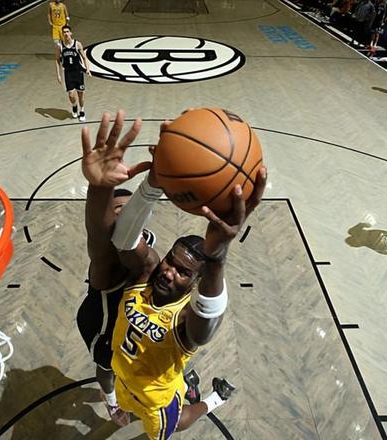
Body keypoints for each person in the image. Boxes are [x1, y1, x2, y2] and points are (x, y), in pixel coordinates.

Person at [80, 110, 267, 438]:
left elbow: (204, 325)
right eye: (170, 262)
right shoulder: (147, 274)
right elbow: (116, 239)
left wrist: (217, 257)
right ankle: (185, 385)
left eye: (182, 272)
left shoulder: (183, 321)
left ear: (195, 283)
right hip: (127, 379)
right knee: (129, 391)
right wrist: (149, 184)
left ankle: (214, 398)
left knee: (178, 422)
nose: (169, 272)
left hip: (157, 399)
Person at [76, 187, 157, 426]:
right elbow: (95, 234)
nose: (126, 214)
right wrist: (99, 187)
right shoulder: (105, 260)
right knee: (107, 368)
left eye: (131, 208)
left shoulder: (146, 238)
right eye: (118, 210)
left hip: (127, 319)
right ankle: (111, 401)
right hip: (102, 327)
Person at [55, 25, 90, 122]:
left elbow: (84, 57)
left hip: (78, 72)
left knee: (80, 93)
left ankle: (82, 111)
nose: (66, 34)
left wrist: (87, 69)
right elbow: (57, 60)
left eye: (67, 32)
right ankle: (74, 106)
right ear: (62, 34)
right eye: (64, 32)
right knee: (71, 94)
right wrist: (58, 74)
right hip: (68, 73)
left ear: (71, 33)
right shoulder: (60, 46)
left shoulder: (77, 44)